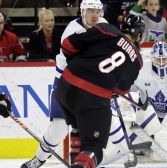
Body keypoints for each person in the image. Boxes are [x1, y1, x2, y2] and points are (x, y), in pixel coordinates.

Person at [20, 0, 128, 168]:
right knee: (59, 126)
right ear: (82, 12)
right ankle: (39, 159)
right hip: (67, 82)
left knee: (106, 119)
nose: (94, 15)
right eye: (90, 11)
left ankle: (128, 153)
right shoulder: (72, 32)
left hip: (91, 80)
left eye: (97, 11)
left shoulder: (105, 26)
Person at [55, 13, 145, 168]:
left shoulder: (106, 29)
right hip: (93, 98)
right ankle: (82, 164)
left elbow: (67, 45)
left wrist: (80, 62)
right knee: (94, 147)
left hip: (65, 87)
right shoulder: (137, 61)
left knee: (78, 126)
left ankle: (77, 160)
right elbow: (121, 90)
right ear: (139, 35)